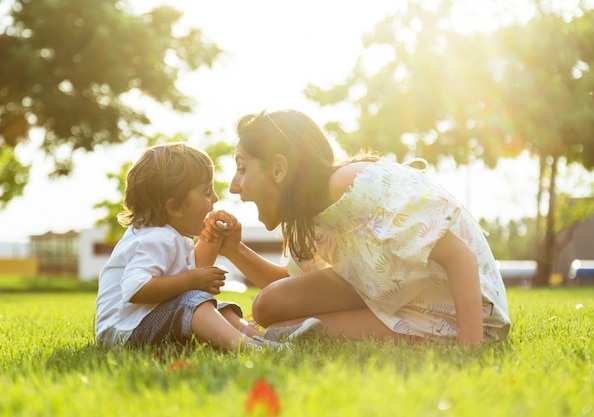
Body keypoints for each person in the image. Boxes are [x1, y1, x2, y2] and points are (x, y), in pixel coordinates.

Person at [202, 109, 511, 346]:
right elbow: (288, 285)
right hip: (394, 293)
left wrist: (469, 348)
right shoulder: (309, 216)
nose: (233, 186)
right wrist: (234, 250)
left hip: (456, 311)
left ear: (279, 169)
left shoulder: (355, 187)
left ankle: (463, 337)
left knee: (284, 333)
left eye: (242, 168)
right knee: (268, 307)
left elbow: (461, 258)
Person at [95, 142, 283, 351]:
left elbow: (195, 267)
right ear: (174, 207)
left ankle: (267, 340)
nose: (215, 198)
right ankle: (248, 347)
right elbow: (136, 288)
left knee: (220, 310)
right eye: (206, 192)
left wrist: (212, 239)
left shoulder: (171, 236)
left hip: (143, 323)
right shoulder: (155, 238)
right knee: (196, 302)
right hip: (124, 331)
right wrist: (190, 280)